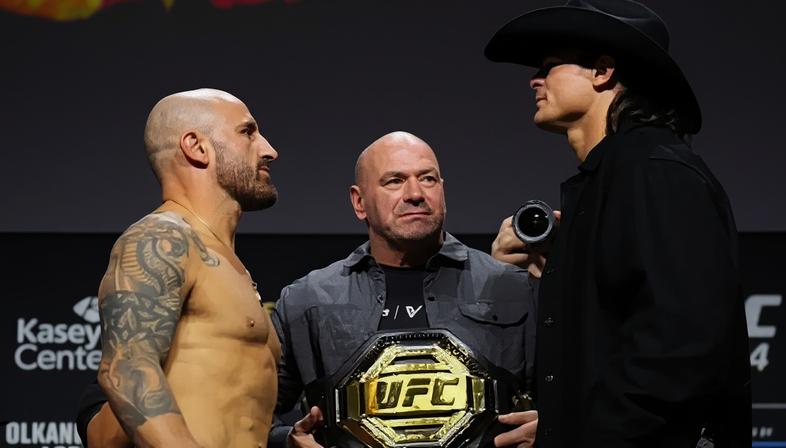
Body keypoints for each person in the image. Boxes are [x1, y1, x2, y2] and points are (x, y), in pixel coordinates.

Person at [484, 1, 751, 447]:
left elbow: (679, 353)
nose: (535, 80)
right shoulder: (608, 181)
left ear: (602, 71)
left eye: (549, 67)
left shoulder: (656, 171)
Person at [273, 131, 539, 448]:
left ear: (442, 190)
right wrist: (286, 440)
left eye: (427, 179)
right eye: (394, 181)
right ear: (359, 202)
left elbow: (580, 394)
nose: (415, 193)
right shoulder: (306, 301)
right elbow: (246, 410)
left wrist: (551, 428)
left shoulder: (515, 289)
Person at [78, 88, 281, 447]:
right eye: (247, 132)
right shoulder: (161, 238)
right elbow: (127, 370)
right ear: (196, 146)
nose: (268, 150)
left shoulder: (226, 262)